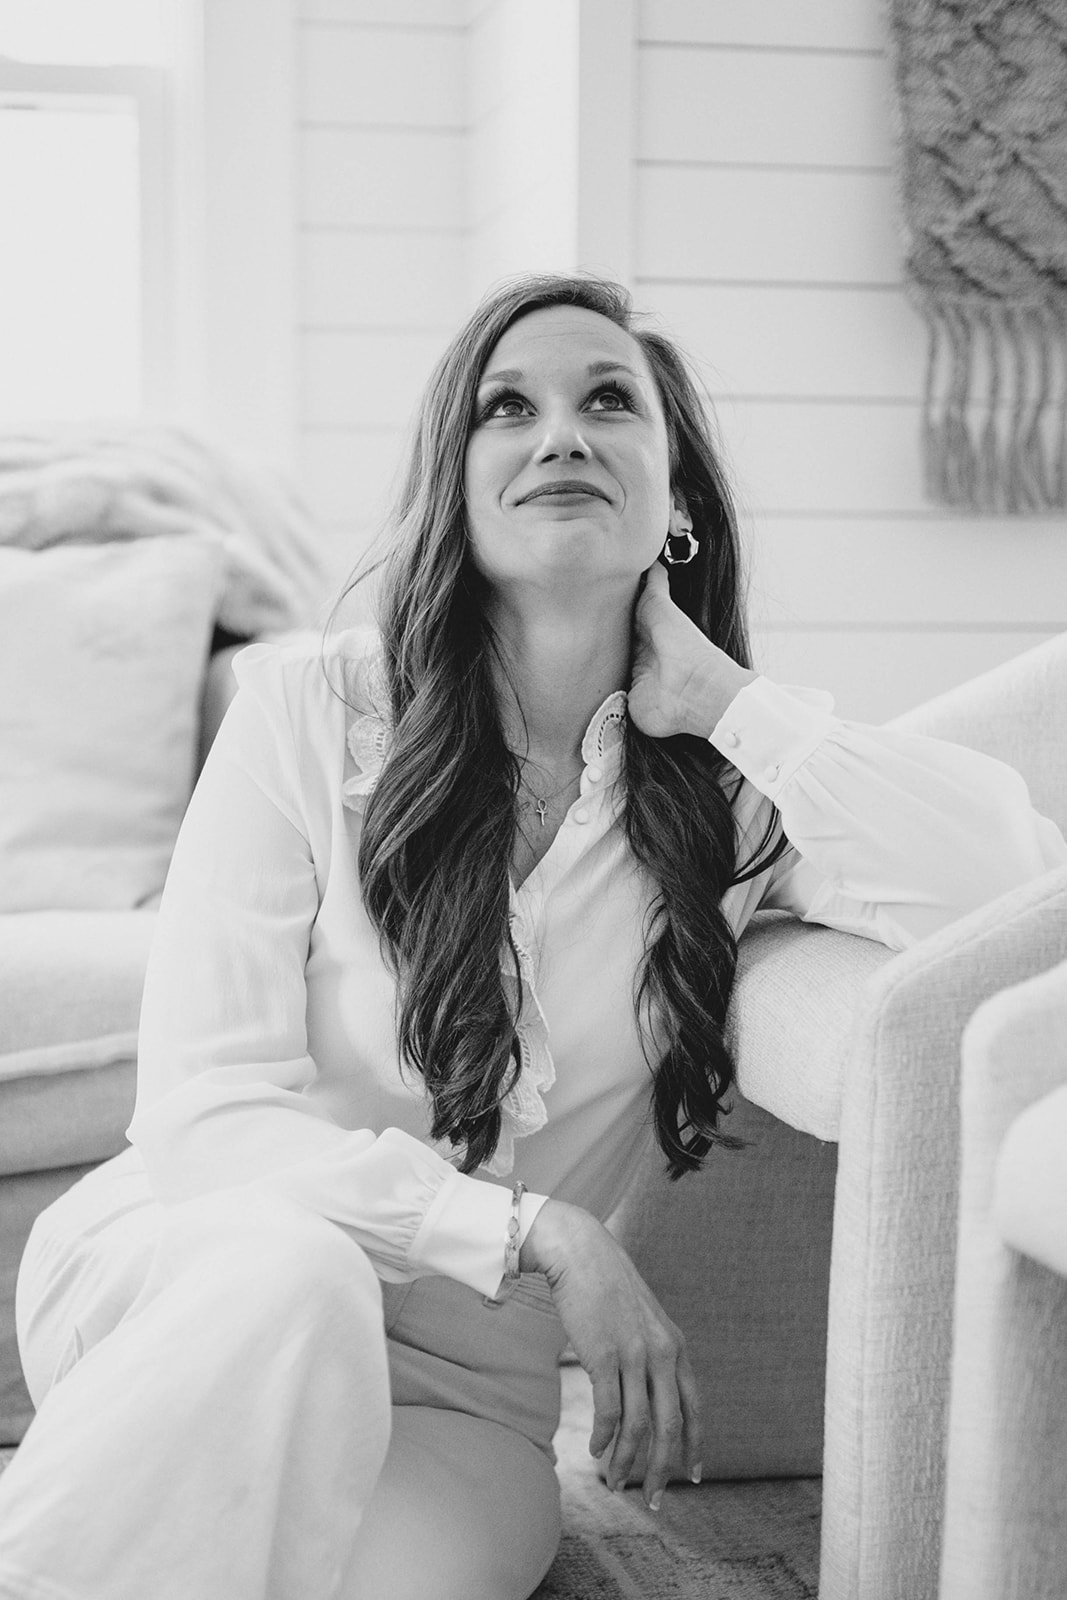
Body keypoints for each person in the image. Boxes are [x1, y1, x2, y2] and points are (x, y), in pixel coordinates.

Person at [0, 273, 1063, 1600]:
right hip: (197, 1276)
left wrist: (730, 701)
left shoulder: (728, 795)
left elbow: (1011, 889)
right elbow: (204, 1121)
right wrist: (536, 1232)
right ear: (456, 487)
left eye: (609, 401)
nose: (560, 433)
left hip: (459, 1395)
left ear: (676, 500)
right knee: (299, 1279)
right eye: (509, 408)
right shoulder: (307, 712)